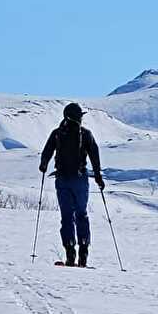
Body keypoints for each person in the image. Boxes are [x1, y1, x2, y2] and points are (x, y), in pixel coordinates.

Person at [39, 102, 104, 267]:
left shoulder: (57, 133)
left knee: (67, 217)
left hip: (62, 180)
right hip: (80, 179)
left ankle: (70, 252)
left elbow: (47, 151)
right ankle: (83, 252)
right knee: (81, 214)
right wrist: (98, 176)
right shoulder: (86, 134)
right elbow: (94, 156)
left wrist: (44, 165)